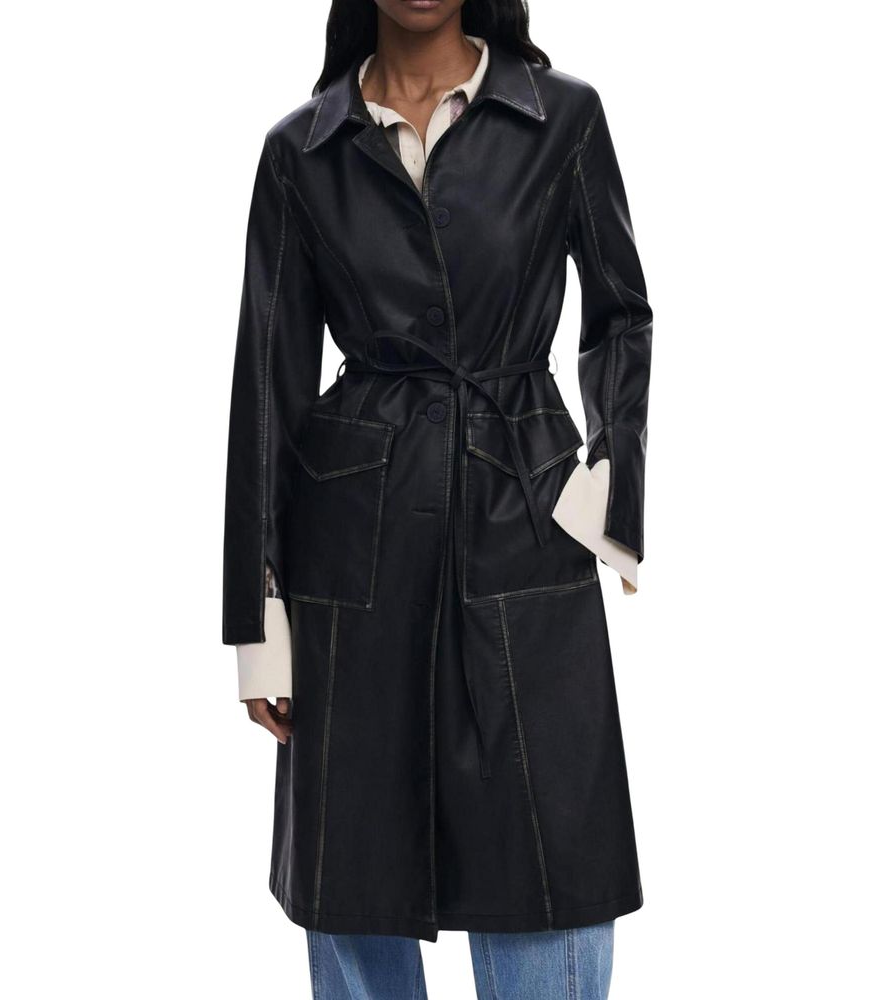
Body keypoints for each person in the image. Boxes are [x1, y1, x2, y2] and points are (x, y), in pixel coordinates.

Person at [222, 1, 653, 996]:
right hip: (352, 550)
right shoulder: (302, 150)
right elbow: (266, 385)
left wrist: (612, 497)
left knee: (551, 869)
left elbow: (621, 315)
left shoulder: (563, 118)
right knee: (351, 885)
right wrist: (257, 623)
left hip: (524, 511)